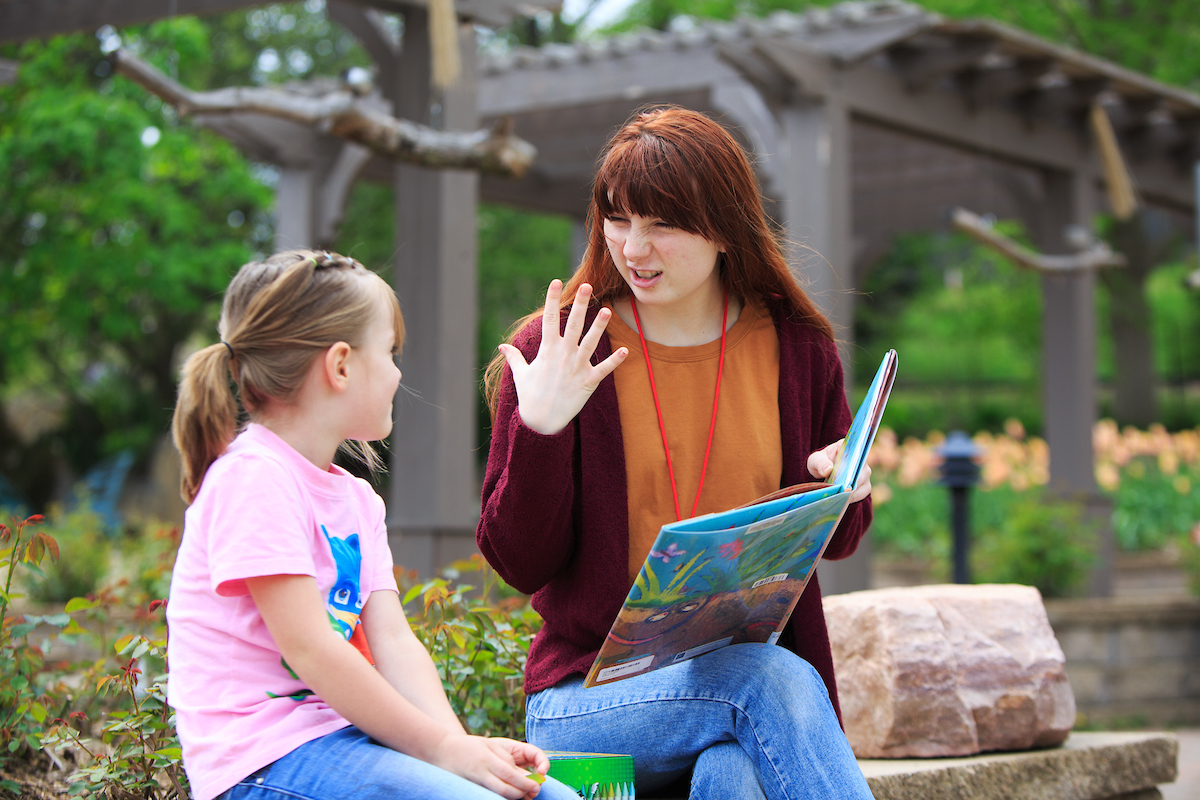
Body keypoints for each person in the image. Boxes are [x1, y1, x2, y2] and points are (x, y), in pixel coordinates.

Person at [478, 107, 876, 800]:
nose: (633, 247)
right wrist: (539, 431)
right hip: (589, 701)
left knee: (736, 774)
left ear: (724, 226)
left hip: (735, 695)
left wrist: (846, 489)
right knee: (761, 678)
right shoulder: (562, 350)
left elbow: (835, 544)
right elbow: (519, 562)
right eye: (617, 218)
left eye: (662, 223)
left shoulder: (797, 348)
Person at [167, 249, 577, 800]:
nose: (397, 373)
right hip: (261, 765)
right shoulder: (253, 479)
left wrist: (460, 751)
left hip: (341, 742)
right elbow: (312, 650)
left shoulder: (357, 498)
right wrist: (443, 753)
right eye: (389, 353)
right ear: (340, 366)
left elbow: (392, 641)